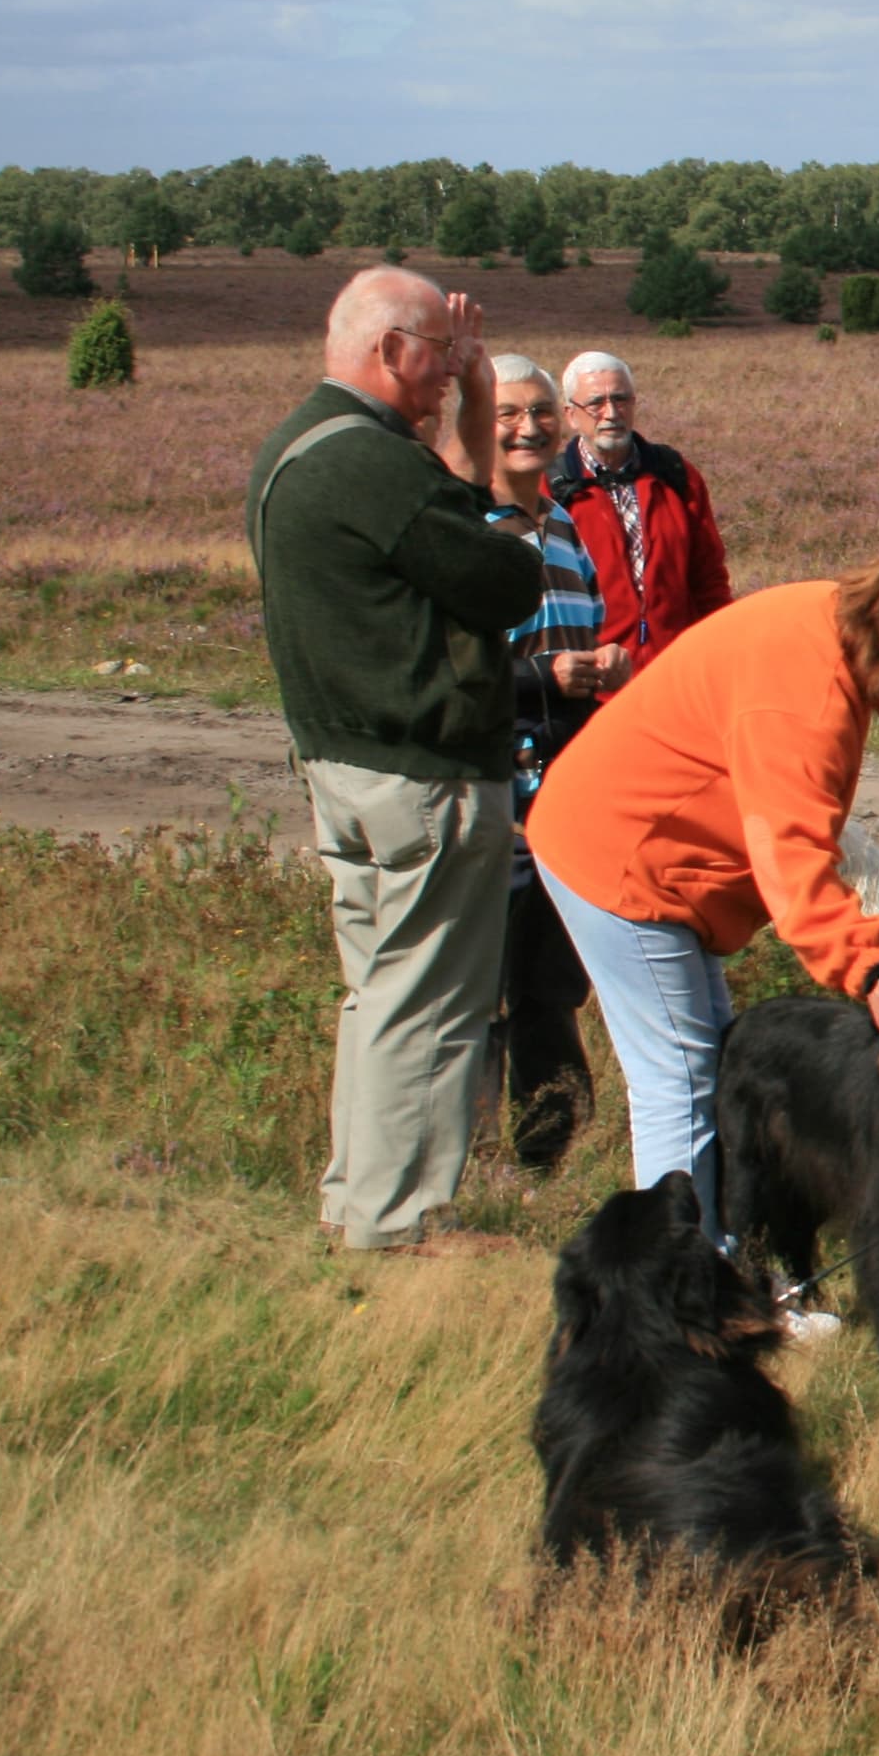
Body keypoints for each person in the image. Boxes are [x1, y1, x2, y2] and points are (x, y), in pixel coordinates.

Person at [527, 550, 879, 1293]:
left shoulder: (829, 626)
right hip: (622, 858)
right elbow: (790, 855)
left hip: (656, 859)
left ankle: (726, 1269)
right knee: (678, 1081)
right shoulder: (805, 694)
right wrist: (871, 972)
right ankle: (680, 1289)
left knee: (708, 1070)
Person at [247, 268, 545, 1256]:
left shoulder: (297, 447)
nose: (453, 369)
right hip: (426, 775)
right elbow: (504, 577)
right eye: (442, 353)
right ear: (390, 352)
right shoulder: (377, 469)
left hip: (346, 765)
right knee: (434, 1000)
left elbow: (445, 535)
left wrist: (460, 408)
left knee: (379, 991)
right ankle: (405, 1221)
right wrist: (483, 461)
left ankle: (360, 1199)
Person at [484, 353, 622, 1173]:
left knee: (551, 988)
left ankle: (548, 1166)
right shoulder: (466, 529)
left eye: (541, 412)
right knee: (482, 996)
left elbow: (578, 644)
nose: (529, 427)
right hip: (493, 798)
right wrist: (544, 677)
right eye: (507, 413)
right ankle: (469, 1165)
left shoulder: (567, 529)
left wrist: (606, 670)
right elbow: (447, 675)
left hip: (561, 803)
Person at [550, 348, 734, 667]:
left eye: (621, 399)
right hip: (591, 682)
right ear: (570, 414)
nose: (611, 413)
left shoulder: (675, 475)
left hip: (675, 671)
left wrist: (719, 652)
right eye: (596, 403)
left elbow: (709, 579)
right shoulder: (552, 488)